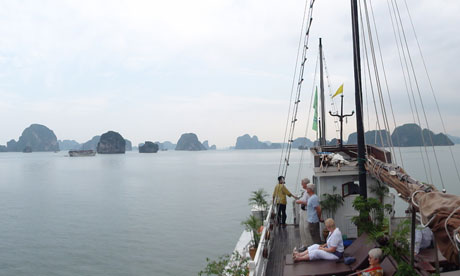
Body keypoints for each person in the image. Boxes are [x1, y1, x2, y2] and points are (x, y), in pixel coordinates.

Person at [295, 178, 312, 248]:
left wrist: (300, 201)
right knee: (301, 228)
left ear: (306, 184)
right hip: (302, 211)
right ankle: (304, 244)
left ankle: (310, 245)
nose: (301, 185)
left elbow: (309, 203)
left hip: (307, 212)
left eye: (302, 183)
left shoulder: (309, 192)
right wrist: (299, 200)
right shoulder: (305, 192)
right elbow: (303, 199)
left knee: (306, 228)